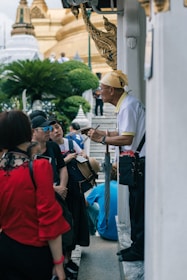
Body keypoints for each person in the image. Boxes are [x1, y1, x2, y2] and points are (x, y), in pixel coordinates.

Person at [0, 110, 69, 280]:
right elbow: (49, 217)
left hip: (5, 248)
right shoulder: (39, 168)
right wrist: (59, 262)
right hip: (35, 251)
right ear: (28, 132)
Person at [86, 70, 145, 261]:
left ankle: (138, 249)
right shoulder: (126, 104)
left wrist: (102, 139)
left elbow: (127, 137)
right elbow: (120, 132)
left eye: (102, 88)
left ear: (111, 90)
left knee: (137, 207)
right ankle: (136, 246)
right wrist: (102, 133)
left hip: (139, 164)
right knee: (134, 205)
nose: (99, 92)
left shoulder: (128, 106)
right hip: (136, 163)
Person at [50, 120, 90, 277]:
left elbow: (84, 156)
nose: (56, 131)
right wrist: (65, 160)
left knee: (74, 221)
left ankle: (68, 258)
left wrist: (81, 155)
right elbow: (55, 166)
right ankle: (61, 261)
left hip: (74, 188)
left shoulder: (71, 142)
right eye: (52, 129)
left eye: (57, 128)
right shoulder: (50, 147)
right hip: (58, 191)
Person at [31, 115, 68, 200]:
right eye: (44, 129)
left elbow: (62, 167)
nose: (48, 131)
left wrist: (62, 187)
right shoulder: (28, 150)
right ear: (34, 131)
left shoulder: (53, 146)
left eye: (49, 128)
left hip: (58, 193)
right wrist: (53, 189)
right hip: (37, 195)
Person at [86, 165, 118, 241]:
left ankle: (91, 233)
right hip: (123, 233)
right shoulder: (125, 188)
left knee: (87, 205)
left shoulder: (100, 188)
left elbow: (85, 203)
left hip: (105, 233)